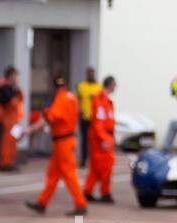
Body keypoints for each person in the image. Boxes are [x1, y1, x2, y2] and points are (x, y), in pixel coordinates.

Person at [23, 75, 87, 215]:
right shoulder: (73, 98)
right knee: (53, 174)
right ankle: (42, 203)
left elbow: (48, 118)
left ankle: (81, 204)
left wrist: (29, 130)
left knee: (69, 174)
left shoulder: (60, 99)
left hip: (62, 142)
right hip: (66, 140)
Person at [83, 76, 117, 203]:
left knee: (96, 167)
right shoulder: (100, 100)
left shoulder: (107, 101)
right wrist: (104, 139)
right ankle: (105, 192)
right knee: (106, 166)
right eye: (115, 85)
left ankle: (88, 191)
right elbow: (98, 122)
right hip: (101, 138)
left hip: (106, 136)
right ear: (110, 85)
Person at [0, 66, 24, 172]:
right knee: (6, 143)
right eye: (15, 76)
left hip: (15, 121)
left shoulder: (13, 87)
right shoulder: (4, 87)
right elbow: (8, 101)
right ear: (10, 76)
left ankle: (11, 162)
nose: (16, 78)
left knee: (13, 142)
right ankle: (5, 163)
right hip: (7, 121)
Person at [76, 67, 101, 168]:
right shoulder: (81, 86)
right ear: (86, 74)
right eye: (89, 73)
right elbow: (78, 100)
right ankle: (83, 160)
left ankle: (94, 160)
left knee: (94, 140)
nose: (91, 75)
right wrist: (78, 112)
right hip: (84, 117)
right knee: (84, 140)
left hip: (95, 118)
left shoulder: (99, 88)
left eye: (93, 73)